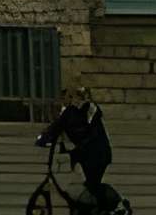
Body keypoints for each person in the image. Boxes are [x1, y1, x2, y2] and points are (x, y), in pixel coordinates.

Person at [39, 81, 119, 212]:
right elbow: (56, 128)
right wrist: (43, 139)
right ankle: (91, 208)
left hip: (97, 153)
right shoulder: (73, 112)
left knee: (92, 185)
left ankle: (109, 207)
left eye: (65, 96)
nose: (63, 100)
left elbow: (92, 134)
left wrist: (76, 150)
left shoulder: (87, 110)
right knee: (89, 185)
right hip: (89, 153)